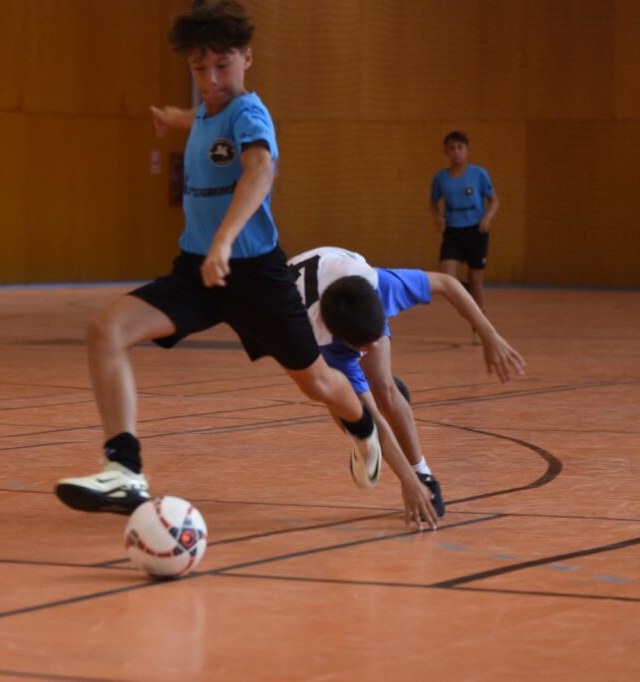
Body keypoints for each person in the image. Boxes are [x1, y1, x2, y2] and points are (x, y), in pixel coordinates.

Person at [54, 0, 438, 530]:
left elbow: (258, 172)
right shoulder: (208, 111)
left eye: (222, 65)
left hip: (255, 274)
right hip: (197, 272)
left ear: (247, 58)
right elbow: (200, 118)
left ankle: (362, 427)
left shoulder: (251, 115)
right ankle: (125, 469)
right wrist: (175, 117)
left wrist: (225, 240)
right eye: (199, 68)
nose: (212, 80)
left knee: (319, 383)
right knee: (106, 331)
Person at [288, 246, 528, 517]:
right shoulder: (324, 343)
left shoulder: (381, 286)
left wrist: (489, 336)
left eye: (377, 336)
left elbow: (447, 283)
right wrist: (406, 482)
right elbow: (374, 420)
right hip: (306, 318)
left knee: (383, 388)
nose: (375, 347)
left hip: (345, 286)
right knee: (353, 413)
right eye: (365, 345)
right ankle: (361, 438)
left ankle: (423, 472)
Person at [428, 131, 500, 344]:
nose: (456, 152)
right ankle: (466, 296)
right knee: (446, 276)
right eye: (451, 148)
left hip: (476, 231)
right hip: (453, 232)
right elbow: (433, 201)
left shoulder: (479, 174)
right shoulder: (440, 178)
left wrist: (487, 217)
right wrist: (437, 216)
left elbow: (494, 200)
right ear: (446, 152)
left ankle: (479, 325)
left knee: (476, 281)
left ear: (467, 150)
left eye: (460, 147)